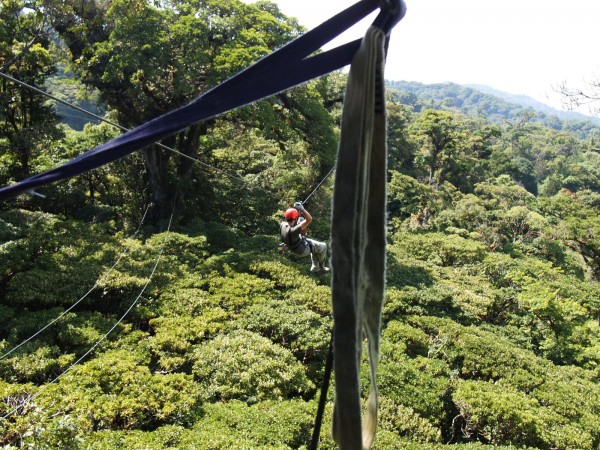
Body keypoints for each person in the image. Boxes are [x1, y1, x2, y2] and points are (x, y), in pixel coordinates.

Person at [280, 202, 330, 275]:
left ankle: (315, 266)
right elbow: (309, 219)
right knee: (323, 246)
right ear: (295, 218)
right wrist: (302, 209)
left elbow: (285, 235)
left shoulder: (282, 225)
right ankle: (321, 267)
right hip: (303, 249)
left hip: (294, 246)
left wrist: (296, 210)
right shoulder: (293, 230)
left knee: (301, 219)